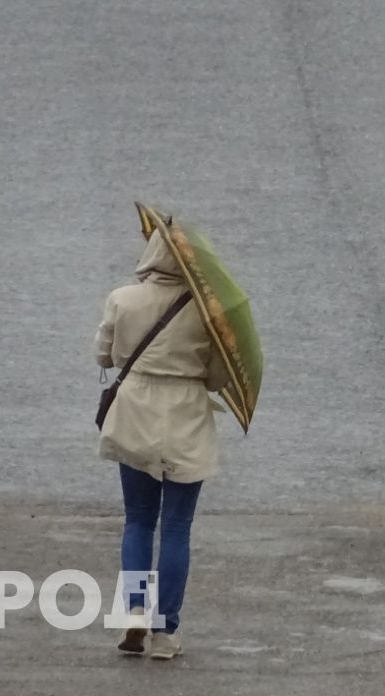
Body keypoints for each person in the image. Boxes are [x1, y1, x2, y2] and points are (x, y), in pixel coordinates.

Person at [95, 223, 229, 660]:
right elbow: (218, 376)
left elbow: (105, 355)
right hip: (185, 418)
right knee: (176, 527)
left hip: (134, 413)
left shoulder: (123, 298)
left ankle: (134, 607)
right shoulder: (208, 309)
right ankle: (165, 632)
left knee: (137, 519)